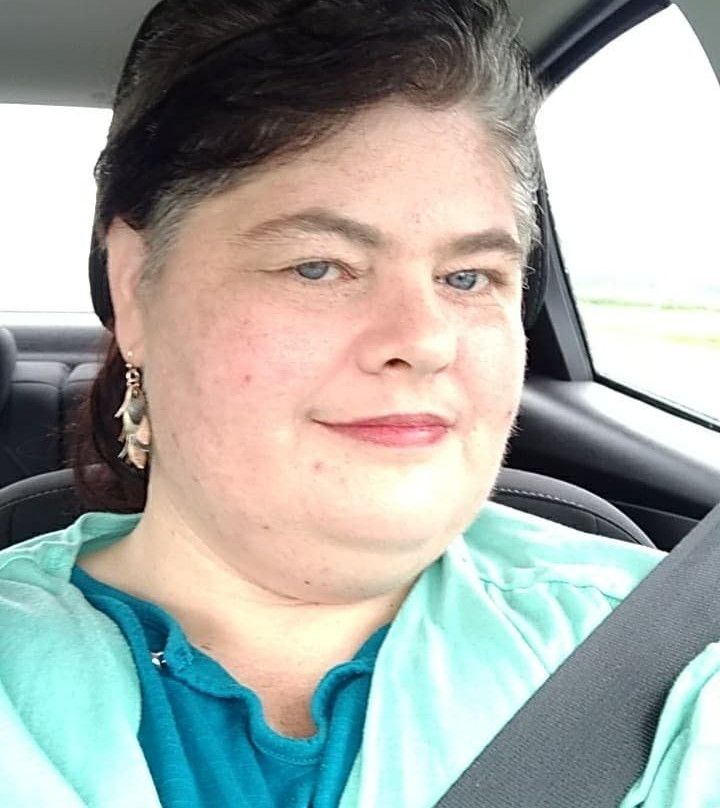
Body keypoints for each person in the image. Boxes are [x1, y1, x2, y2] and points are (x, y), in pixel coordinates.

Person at [0, 1, 718, 806]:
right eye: (318, 266)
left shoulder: (671, 659)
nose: (425, 338)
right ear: (134, 287)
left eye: (468, 277)